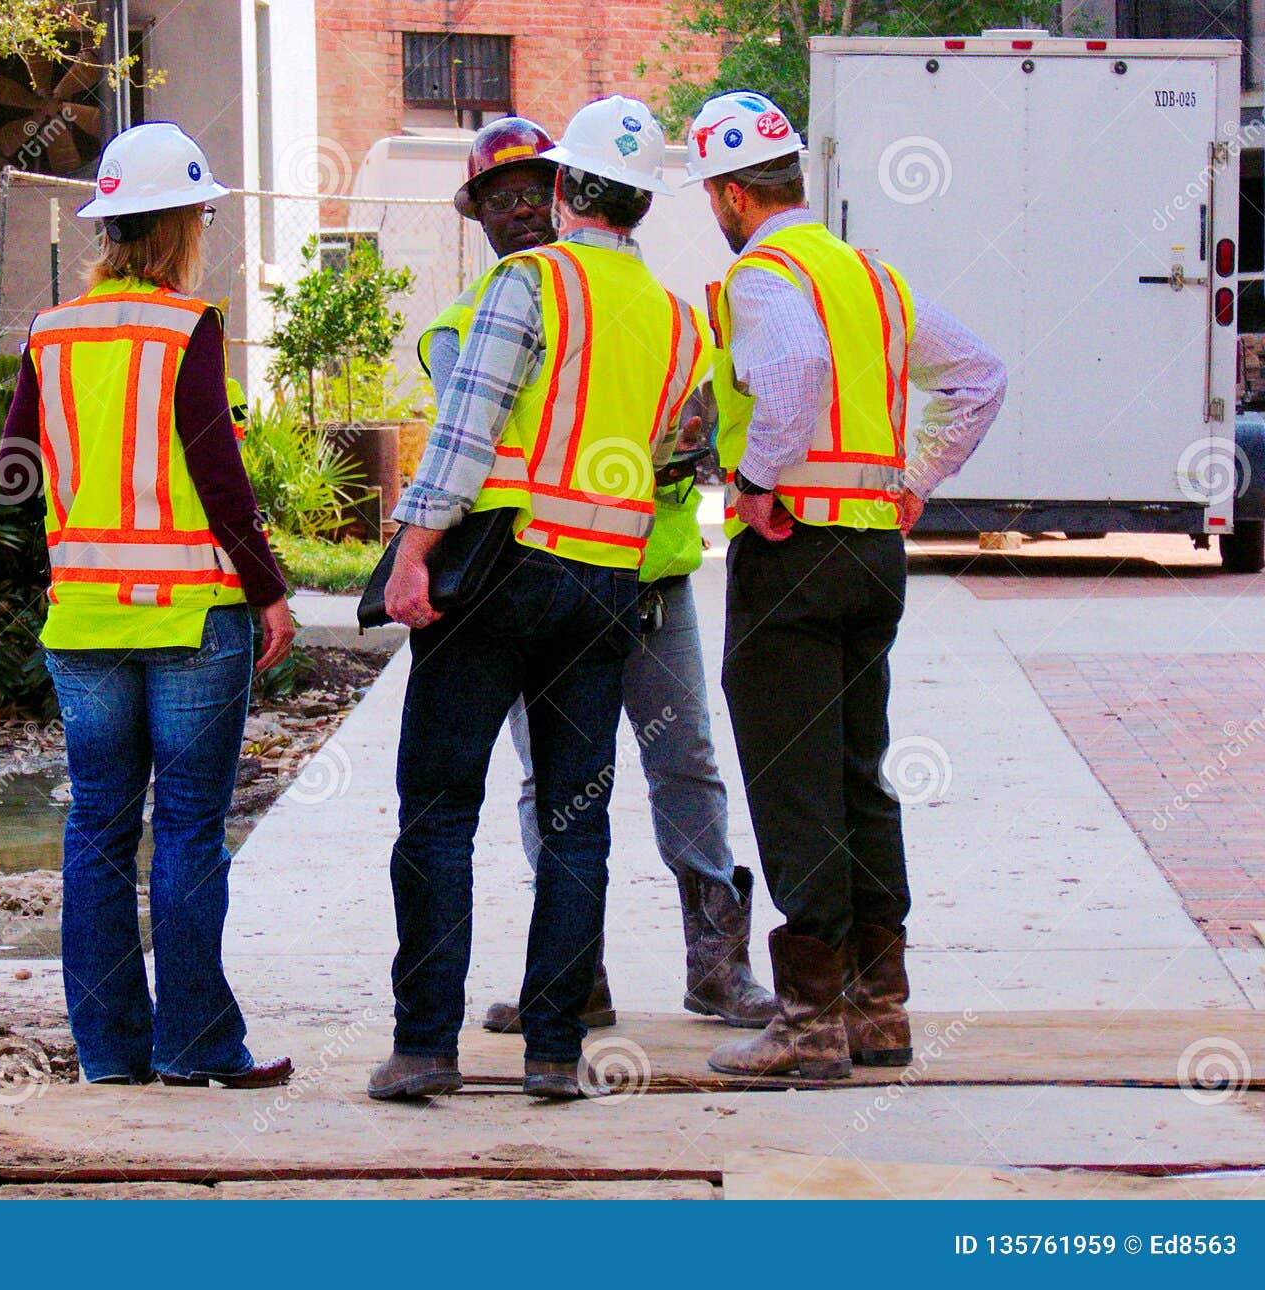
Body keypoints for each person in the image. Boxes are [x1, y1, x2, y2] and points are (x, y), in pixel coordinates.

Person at [367, 97, 712, 1102]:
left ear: (562, 189)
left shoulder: (531, 282)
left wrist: (408, 555)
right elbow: (661, 455)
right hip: (606, 588)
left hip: (498, 571)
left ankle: (426, 1045)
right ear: (642, 202)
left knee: (437, 811)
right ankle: (555, 1054)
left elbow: (465, 437)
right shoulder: (677, 321)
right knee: (577, 822)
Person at [417, 117, 776, 1036]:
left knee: (683, 762)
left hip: (644, 581)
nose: (521, 210)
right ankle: (577, 978)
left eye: (535, 191)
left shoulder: (658, 310)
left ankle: (718, 966)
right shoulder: (476, 315)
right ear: (479, 221)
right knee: (554, 785)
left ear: (570, 193)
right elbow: (469, 442)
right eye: (498, 200)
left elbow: (693, 436)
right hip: (540, 582)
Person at [682, 92, 1005, 1079]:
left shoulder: (762, 276)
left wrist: (762, 483)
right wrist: (914, 480)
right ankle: (880, 1006)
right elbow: (979, 376)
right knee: (857, 775)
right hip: (873, 557)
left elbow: (789, 377)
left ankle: (810, 1022)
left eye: (712, 196)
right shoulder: (873, 279)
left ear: (733, 194)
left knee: (792, 783)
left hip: (794, 553)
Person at [0, 122, 295, 1089]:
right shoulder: (186, 327)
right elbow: (218, 470)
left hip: (84, 620)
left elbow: (14, 469)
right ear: (177, 225)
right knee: (188, 828)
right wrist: (271, 590)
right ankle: (196, 1046)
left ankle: (109, 1054)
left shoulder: (50, 332)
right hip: (191, 619)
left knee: (96, 832)